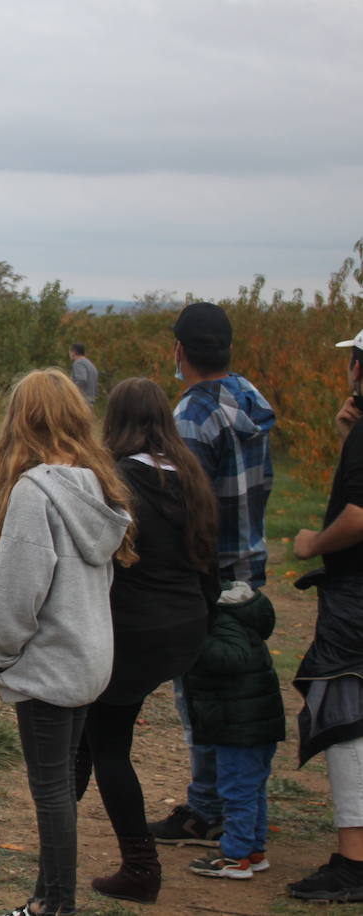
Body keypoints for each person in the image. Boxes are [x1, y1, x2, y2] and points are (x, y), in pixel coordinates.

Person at [0, 368, 136, 916]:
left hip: (49, 663)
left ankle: (57, 907)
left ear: (21, 420)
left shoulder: (35, 492)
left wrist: (2, 656)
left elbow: (17, 596)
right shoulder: (97, 485)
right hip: (89, 657)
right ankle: (44, 900)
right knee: (59, 786)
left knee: (51, 794)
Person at [74, 378, 219, 903]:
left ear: (115, 421)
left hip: (136, 630)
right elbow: (209, 563)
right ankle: (58, 832)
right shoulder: (190, 475)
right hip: (185, 624)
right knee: (89, 729)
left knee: (109, 744)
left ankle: (140, 868)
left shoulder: (117, 482)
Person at [152, 301, 276, 848]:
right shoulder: (249, 399)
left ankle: (210, 810)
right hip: (249, 568)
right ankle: (230, 804)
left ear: (179, 350)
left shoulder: (191, 418)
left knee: (204, 697)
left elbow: (190, 509)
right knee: (237, 691)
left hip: (210, 577)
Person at [286, 328, 363, 902]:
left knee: (345, 716)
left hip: (356, 601)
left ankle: (354, 863)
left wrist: (312, 544)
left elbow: (358, 516)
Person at [181, 582, 284, 880]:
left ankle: (235, 856)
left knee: (237, 790)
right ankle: (253, 850)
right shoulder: (236, 616)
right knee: (252, 788)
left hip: (239, 725)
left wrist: (193, 640)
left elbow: (233, 657)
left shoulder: (222, 619)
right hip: (252, 722)